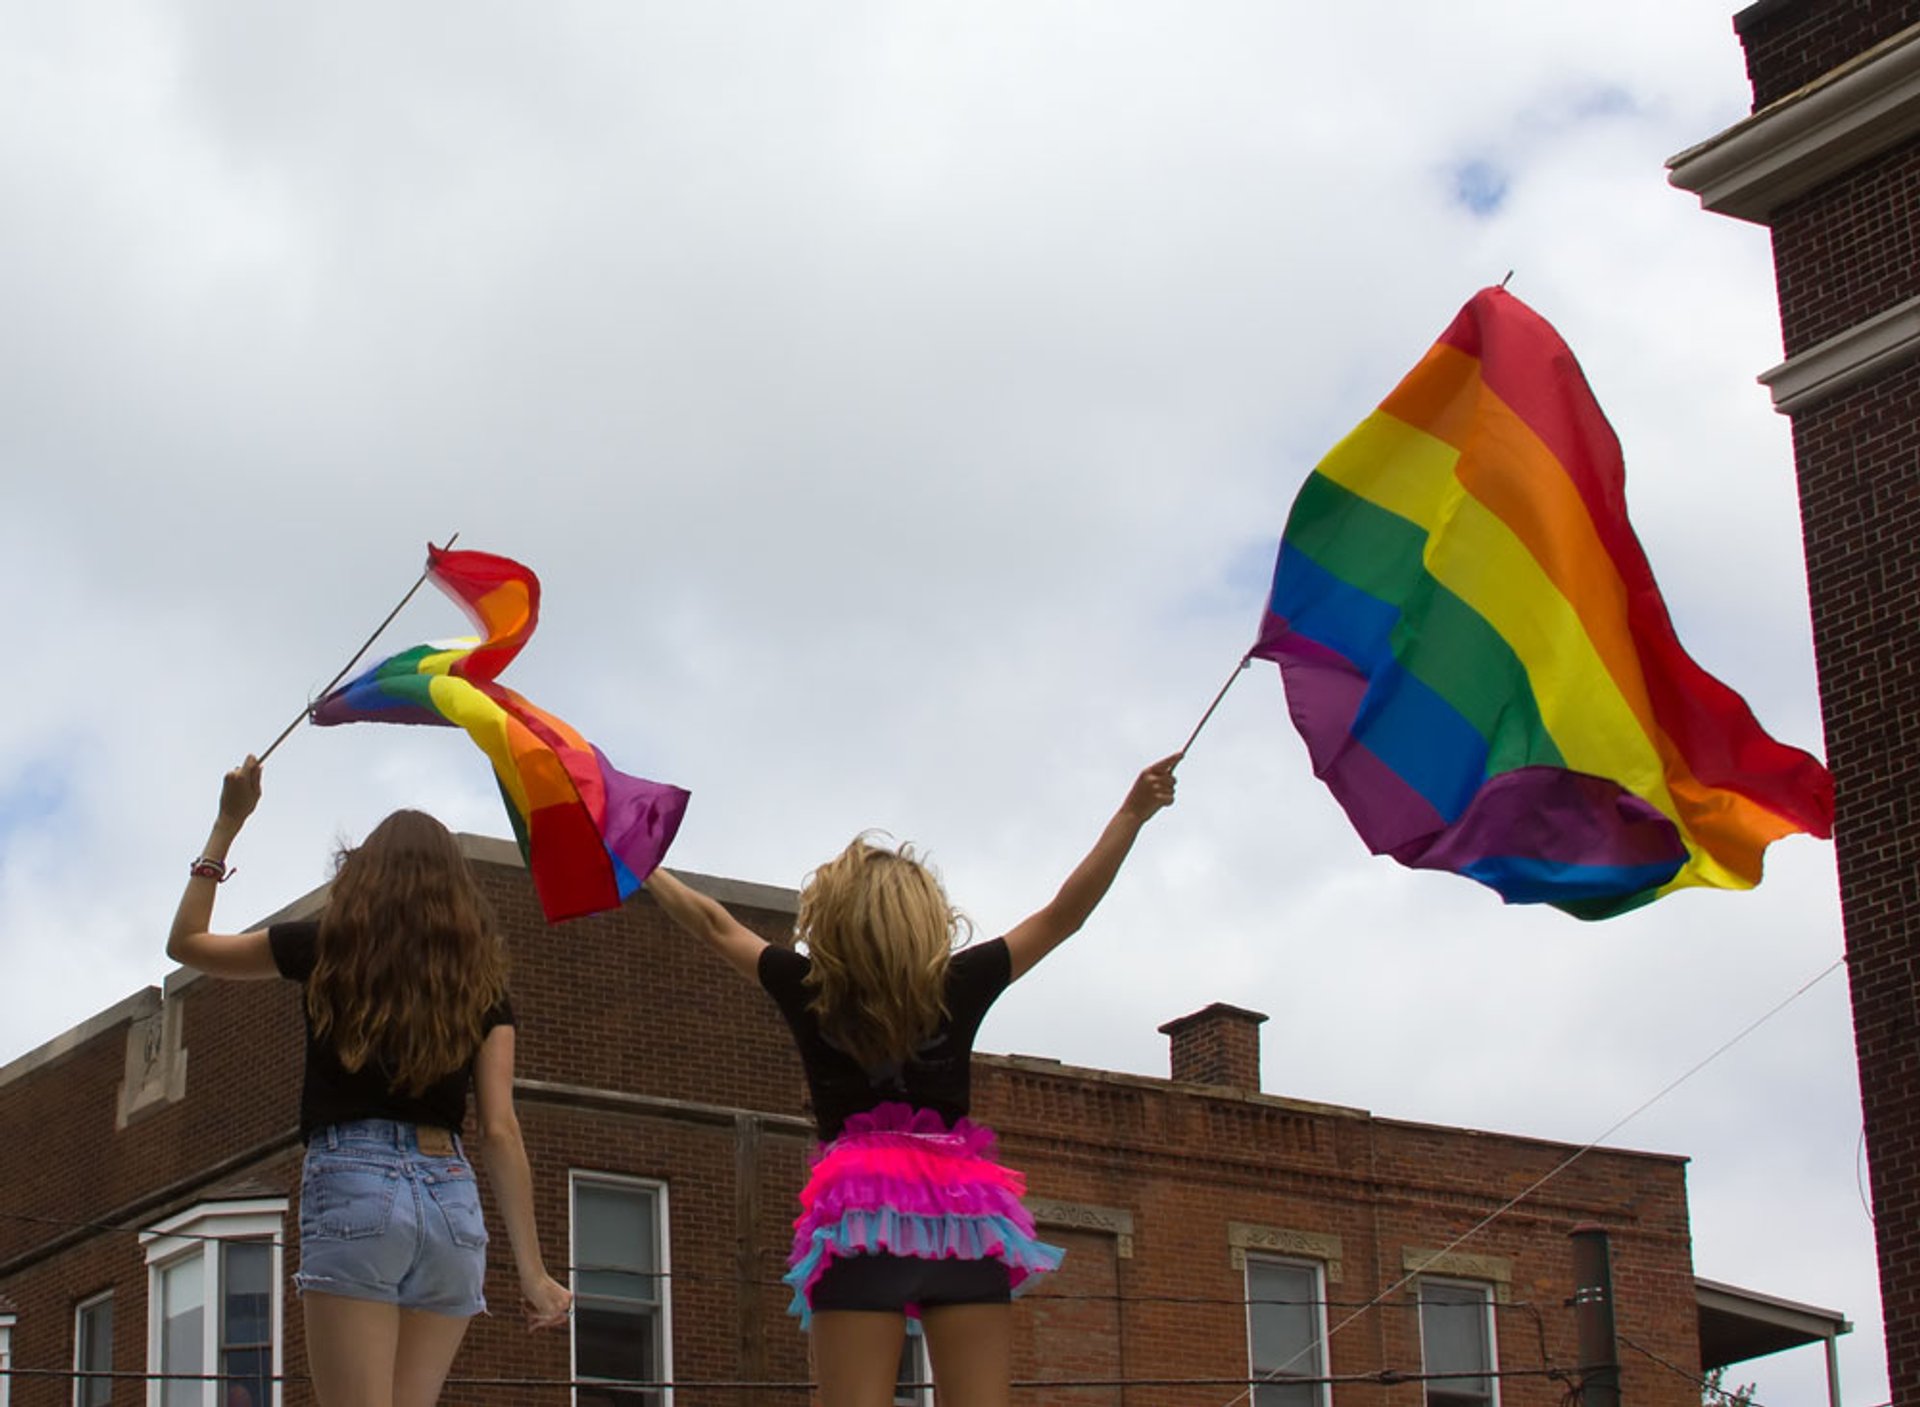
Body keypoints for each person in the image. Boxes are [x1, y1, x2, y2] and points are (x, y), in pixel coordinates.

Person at [643, 754, 1179, 1407]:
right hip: (963, 1219)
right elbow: (1066, 914)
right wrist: (1131, 814)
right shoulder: (963, 979)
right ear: (925, 917)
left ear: (836, 918)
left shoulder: (810, 987)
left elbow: (714, 922)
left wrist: (635, 855)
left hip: (861, 1218)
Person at [167, 757, 572, 1407]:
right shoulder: (483, 985)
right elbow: (499, 1128)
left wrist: (227, 822)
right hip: (452, 1202)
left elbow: (187, 943)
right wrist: (533, 1270)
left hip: (354, 1183)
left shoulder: (326, 943)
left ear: (365, 873)